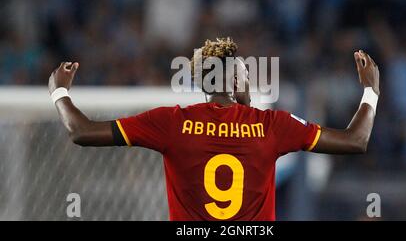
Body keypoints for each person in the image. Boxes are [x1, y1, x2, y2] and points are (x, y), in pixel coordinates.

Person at [48, 38, 380, 220]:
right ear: (236, 80)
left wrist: (59, 91)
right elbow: (356, 140)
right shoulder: (273, 126)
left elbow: (81, 132)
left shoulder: (170, 122)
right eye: (246, 73)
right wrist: (371, 90)